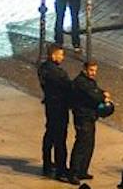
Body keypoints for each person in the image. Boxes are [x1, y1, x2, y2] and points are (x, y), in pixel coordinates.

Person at [68, 60, 113, 184]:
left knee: (89, 144)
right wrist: (104, 97)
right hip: (83, 117)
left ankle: (83, 170)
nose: (93, 73)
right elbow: (94, 95)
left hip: (90, 117)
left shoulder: (89, 81)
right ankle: (74, 172)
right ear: (85, 69)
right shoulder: (81, 82)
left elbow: (97, 90)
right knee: (81, 144)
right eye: (91, 70)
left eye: (95, 71)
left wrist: (103, 93)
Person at [37, 44, 71, 179]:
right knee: (59, 138)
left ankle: (47, 164)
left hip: (50, 105)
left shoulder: (43, 68)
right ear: (53, 55)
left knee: (50, 135)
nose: (62, 58)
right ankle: (61, 169)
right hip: (59, 106)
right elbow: (68, 87)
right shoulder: (58, 73)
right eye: (61, 55)